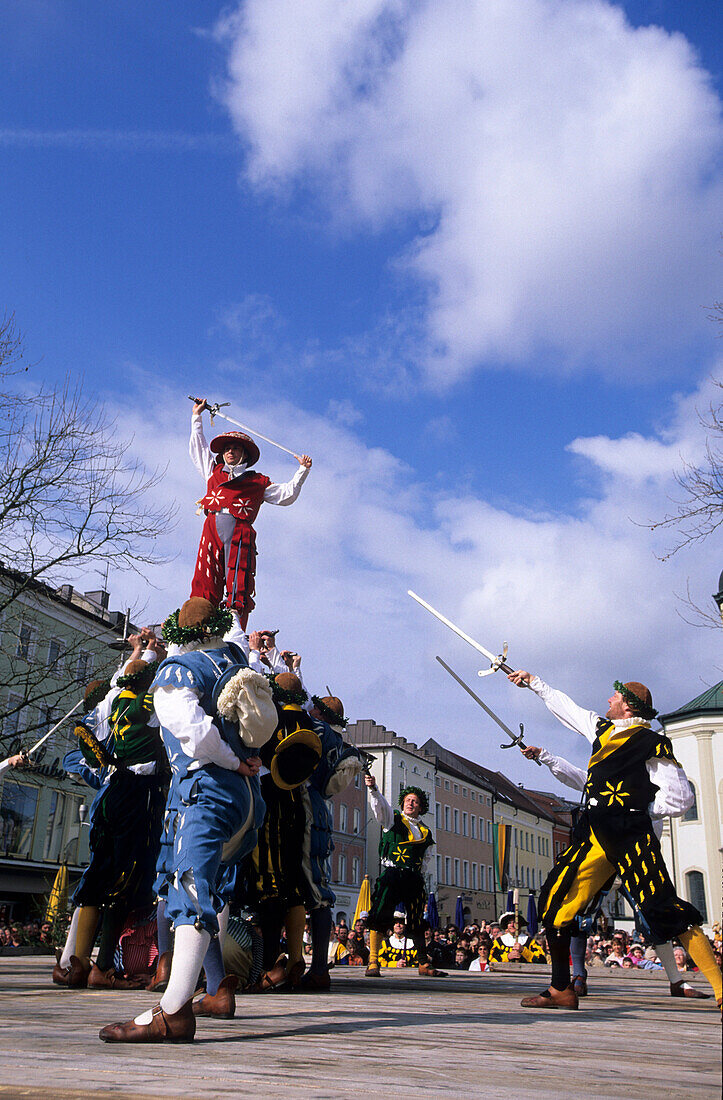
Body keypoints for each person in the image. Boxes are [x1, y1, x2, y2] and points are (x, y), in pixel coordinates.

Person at [99, 598, 276, 1042]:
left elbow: (195, 735)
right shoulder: (236, 660)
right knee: (210, 890)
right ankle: (211, 991)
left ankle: (174, 1010)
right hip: (248, 799)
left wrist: (232, 762)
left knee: (189, 887)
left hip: (206, 789)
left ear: (178, 633)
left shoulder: (180, 672)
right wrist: (245, 765)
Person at [509, 670, 722, 1009]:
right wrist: (534, 682)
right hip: (594, 834)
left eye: (615, 697)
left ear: (627, 706)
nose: (608, 700)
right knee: (556, 903)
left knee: (664, 908)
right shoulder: (603, 730)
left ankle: (721, 989)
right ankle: (561, 989)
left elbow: (681, 798)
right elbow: (569, 709)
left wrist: (639, 807)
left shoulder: (651, 742)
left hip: (630, 835)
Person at [520, 740, 711, 1000]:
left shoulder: (645, 783)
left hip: (634, 859)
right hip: (603, 855)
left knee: (654, 914)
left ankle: (676, 980)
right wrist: (544, 754)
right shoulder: (606, 781)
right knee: (578, 913)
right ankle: (577, 976)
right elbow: (576, 776)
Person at [189, 398, 312, 630]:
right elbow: (198, 448)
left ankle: (235, 629)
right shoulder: (213, 472)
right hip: (212, 529)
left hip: (239, 533)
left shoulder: (257, 481)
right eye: (226, 449)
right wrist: (197, 417)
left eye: (235, 448)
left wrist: (302, 471)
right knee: (206, 575)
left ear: (244, 454)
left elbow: (287, 495)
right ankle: (199, 625)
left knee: (238, 581)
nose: (230, 452)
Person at [363, 775, 445, 978]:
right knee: (381, 914)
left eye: (415, 801)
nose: (410, 802)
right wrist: (373, 789)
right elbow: (380, 808)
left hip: (414, 878)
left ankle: (423, 963)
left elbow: (425, 860)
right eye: (407, 800)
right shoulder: (393, 819)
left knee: (417, 919)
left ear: (420, 807)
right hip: (392, 874)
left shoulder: (426, 832)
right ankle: (373, 960)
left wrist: (420, 878)